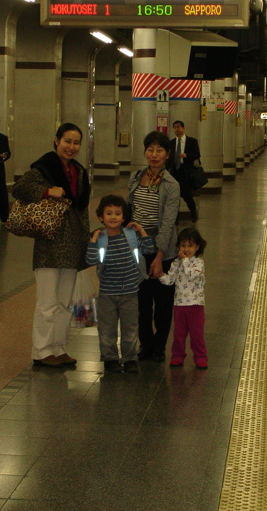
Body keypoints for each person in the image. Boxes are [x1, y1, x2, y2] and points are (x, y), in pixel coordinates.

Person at [12, 122, 91, 368]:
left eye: (76, 142)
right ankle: (42, 350)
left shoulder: (79, 171)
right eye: (67, 141)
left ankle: (59, 347)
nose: (72, 147)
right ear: (56, 140)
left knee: (65, 302)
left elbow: (82, 209)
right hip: (49, 243)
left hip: (72, 244)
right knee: (47, 302)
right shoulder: (44, 167)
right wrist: (47, 191)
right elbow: (19, 188)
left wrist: (85, 242)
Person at [85, 194, 155, 374]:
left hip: (130, 292)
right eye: (109, 213)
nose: (113, 217)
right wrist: (93, 239)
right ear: (101, 217)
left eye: (117, 213)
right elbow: (90, 260)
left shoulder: (131, 236)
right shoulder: (100, 238)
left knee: (130, 328)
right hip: (107, 293)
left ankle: (130, 358)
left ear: (124, 217)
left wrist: (141, 230)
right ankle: (110, 359)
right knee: (107, 329)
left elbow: (148, 249)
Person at [128, 131, 180, 362]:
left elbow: (168, 224)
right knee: (141, 302)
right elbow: (130, 212)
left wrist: (159, 257)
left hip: (163, 251)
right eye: (150, 149)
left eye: (159, 150)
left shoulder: (171, 185)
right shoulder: (136, 178)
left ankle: (159, 345)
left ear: (167, 154)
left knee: (163, 303)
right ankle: (145, 344)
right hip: (138, 248)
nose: (154, 155)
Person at [160, 227, 208, 369]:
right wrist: (160, 276)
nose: (186, 249)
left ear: (197, 247)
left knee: (196, 334)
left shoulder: (198, 263)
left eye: (190, 246)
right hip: (179, 305)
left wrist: (185, 261)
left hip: (196, 305)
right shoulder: (176, 263)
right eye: (183, 245)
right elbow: (170, 280)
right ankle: (177, 356)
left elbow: (192, 275)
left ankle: (200, 357)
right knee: (179, 334)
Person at [168, 120, 200, 223]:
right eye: (174, 127)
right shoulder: (171, 143)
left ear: (183, 128)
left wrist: (187, 156)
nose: (176, 129)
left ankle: (193, 212)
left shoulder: (192, 141)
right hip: (174, 172)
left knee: (187, 195)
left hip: (186, 172)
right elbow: (168, 159)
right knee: (174, 196)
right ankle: (175, 217)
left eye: (178, 127)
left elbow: (197, 155)